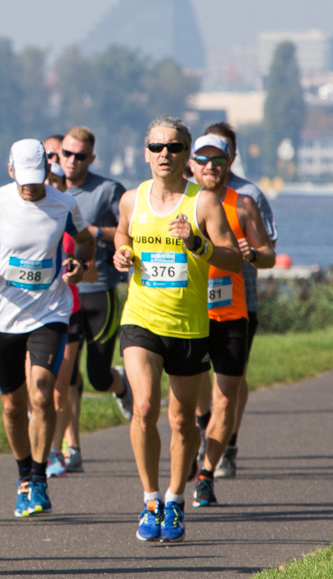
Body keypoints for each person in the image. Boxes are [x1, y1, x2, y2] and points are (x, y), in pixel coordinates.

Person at [112, 116, 243, 543]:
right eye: (155, 147)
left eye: (172, 147)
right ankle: (150, 498)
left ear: (186, 155)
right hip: (141, 320)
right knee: (146, 406)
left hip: (188, 326)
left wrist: (197, 244)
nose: (163, 154)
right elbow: (121, 234)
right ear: (145, 152)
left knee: (183, 420)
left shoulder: (203, 202)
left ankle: (175, 498)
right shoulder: (132, 200)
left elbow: (231, 258)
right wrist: (121, 253)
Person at [0, 139, 94, 517]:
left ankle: (39, 476)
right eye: (25, 178)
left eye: (39, 178)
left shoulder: (63, 203)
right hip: (2, 316)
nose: (32, 186)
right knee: (13, 405)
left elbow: (84, 242)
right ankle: (23, 475)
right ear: (10, 170)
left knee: (41, 391)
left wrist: (79, 265)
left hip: (49, 311)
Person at [185, 133, 273, 508]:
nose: (210, 167)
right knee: (188, 402)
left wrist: (251, 253)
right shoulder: (181, 203)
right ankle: (197, 443)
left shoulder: (244, 203)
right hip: (188, 314)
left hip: (231, 312)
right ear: (191, 164)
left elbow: (269, 254)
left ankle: (206, 475)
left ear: (229, 163)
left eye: (217, 160)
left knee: (226, 400)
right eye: (202, 160)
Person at [57, 127, 135, 438]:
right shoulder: (49, 189)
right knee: (66, 374)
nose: (72, 161)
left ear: (91, 158)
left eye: (80, 156)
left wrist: (93, 232)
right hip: (64, 294)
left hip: (99, 290)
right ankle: (69, 448)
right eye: (67, 154)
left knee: (98, 376)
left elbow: (127, 232)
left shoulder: (107, 190)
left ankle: (121, 385)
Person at [43, 137, 95, 477]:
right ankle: (43, 443)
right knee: (37, 388)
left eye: (59, 182)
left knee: (60, 388)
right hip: (32, 314)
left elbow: (90, 270)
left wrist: (78, 270)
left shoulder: (73, 222)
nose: (52, 186)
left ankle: (53, 450)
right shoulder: (26, 219)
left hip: (69, 313)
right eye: (49, 180)